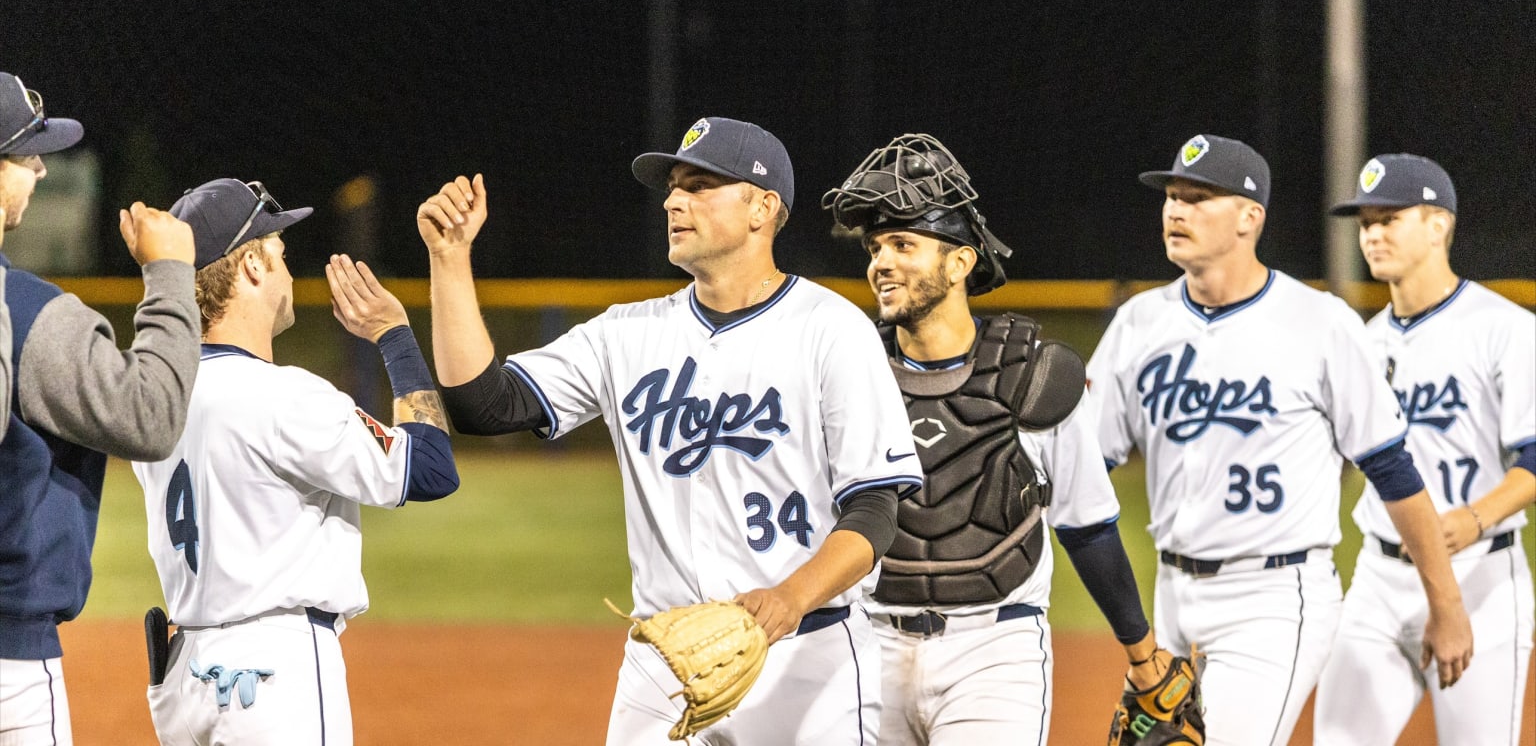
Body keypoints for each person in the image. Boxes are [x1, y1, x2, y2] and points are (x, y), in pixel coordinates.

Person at [420, 116, 922, 745]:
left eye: (700, 185)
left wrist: (791, 598)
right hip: (663, 661)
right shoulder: (625, 333)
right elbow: (483, 405)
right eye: (673, 187)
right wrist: (449, 259)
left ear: (763, 208)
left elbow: (875, 509)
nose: (673, 200)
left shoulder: (831, 330)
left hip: (805, 655)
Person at [1084, 134, 1475, 745]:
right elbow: (1085, 466)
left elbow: (1393, 469)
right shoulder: (1140, 323)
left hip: (1274, 596)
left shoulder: (1318, 324)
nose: (1176, 210)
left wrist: (1445, 604)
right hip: (1171, 593)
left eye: (1198, 197)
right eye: (1172, 197)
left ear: (1250, 217)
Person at [822, 133, 1192, 743]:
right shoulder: (844, 372)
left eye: (904, 243)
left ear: (960, 261)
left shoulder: (1034, 377)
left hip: (994, 651)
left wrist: (1143, 656)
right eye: (876, 246)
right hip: (867, 643)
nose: (881, 261)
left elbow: (1088, 525)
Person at [131, 178, 460, 745]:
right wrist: (394, 335)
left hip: (184, 681)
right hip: (271, 678)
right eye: (280, 256)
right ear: (252, 266)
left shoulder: (153, 393)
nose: (289, 273)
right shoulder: (286, 397)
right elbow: (430, 469)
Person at [0, 72, 201, 746]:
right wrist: (169, 275)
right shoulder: (28, 315)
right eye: (23, 154)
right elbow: (150, 415)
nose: (37, 168)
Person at [1314, 154, 1534, 744]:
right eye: (1365, 223)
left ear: (1439, 224)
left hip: (1481, 577)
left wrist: (1475, 516)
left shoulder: (1503, 328)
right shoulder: (1362, 342)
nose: (1372, 234)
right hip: (1378, 581)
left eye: (1390, 218)